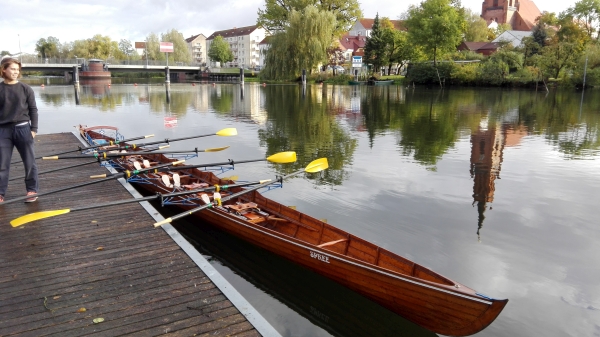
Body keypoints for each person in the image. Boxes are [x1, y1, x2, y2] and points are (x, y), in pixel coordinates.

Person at [0, 56, 39, 203]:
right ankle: (0, 193)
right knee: (2, 164)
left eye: (17, 69)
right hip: (3, 131)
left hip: (23, 129)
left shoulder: (25, 89)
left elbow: (33, 110)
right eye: (12, 69)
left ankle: (32, 190)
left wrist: (33, 129)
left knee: (29, 162)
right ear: (4, 69)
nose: (16, 72)